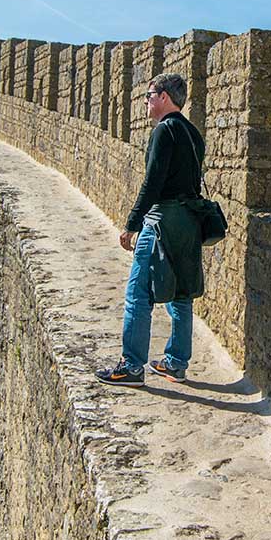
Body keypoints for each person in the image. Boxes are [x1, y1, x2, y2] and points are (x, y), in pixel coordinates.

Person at [95, 72, 206, 387]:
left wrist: (132, 223)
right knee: (182, 293)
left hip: (161, 221)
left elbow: (153, 181)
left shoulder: (164, 131)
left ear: (165, 98)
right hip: (189, 223)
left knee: (138, 292)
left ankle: (131, 366)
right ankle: (176, 363)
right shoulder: (193, 134)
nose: (146, 100)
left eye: (150, 94)